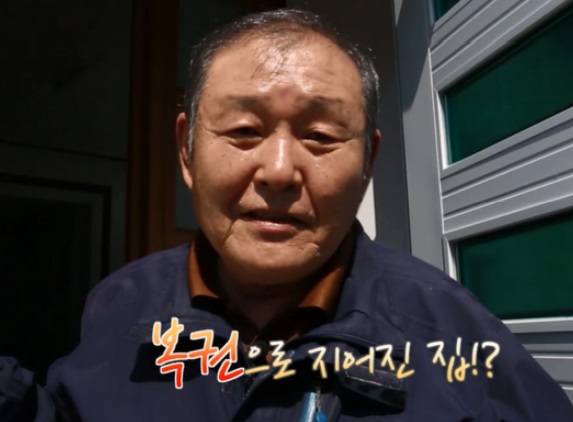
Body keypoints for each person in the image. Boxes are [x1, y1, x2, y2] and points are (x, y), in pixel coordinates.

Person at [1, 8, 572, 421]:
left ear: (368, 162)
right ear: (186, 151)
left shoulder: (450, 332)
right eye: (242, 130)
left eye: (320, 135)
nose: (278, 171)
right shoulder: (118, 303)